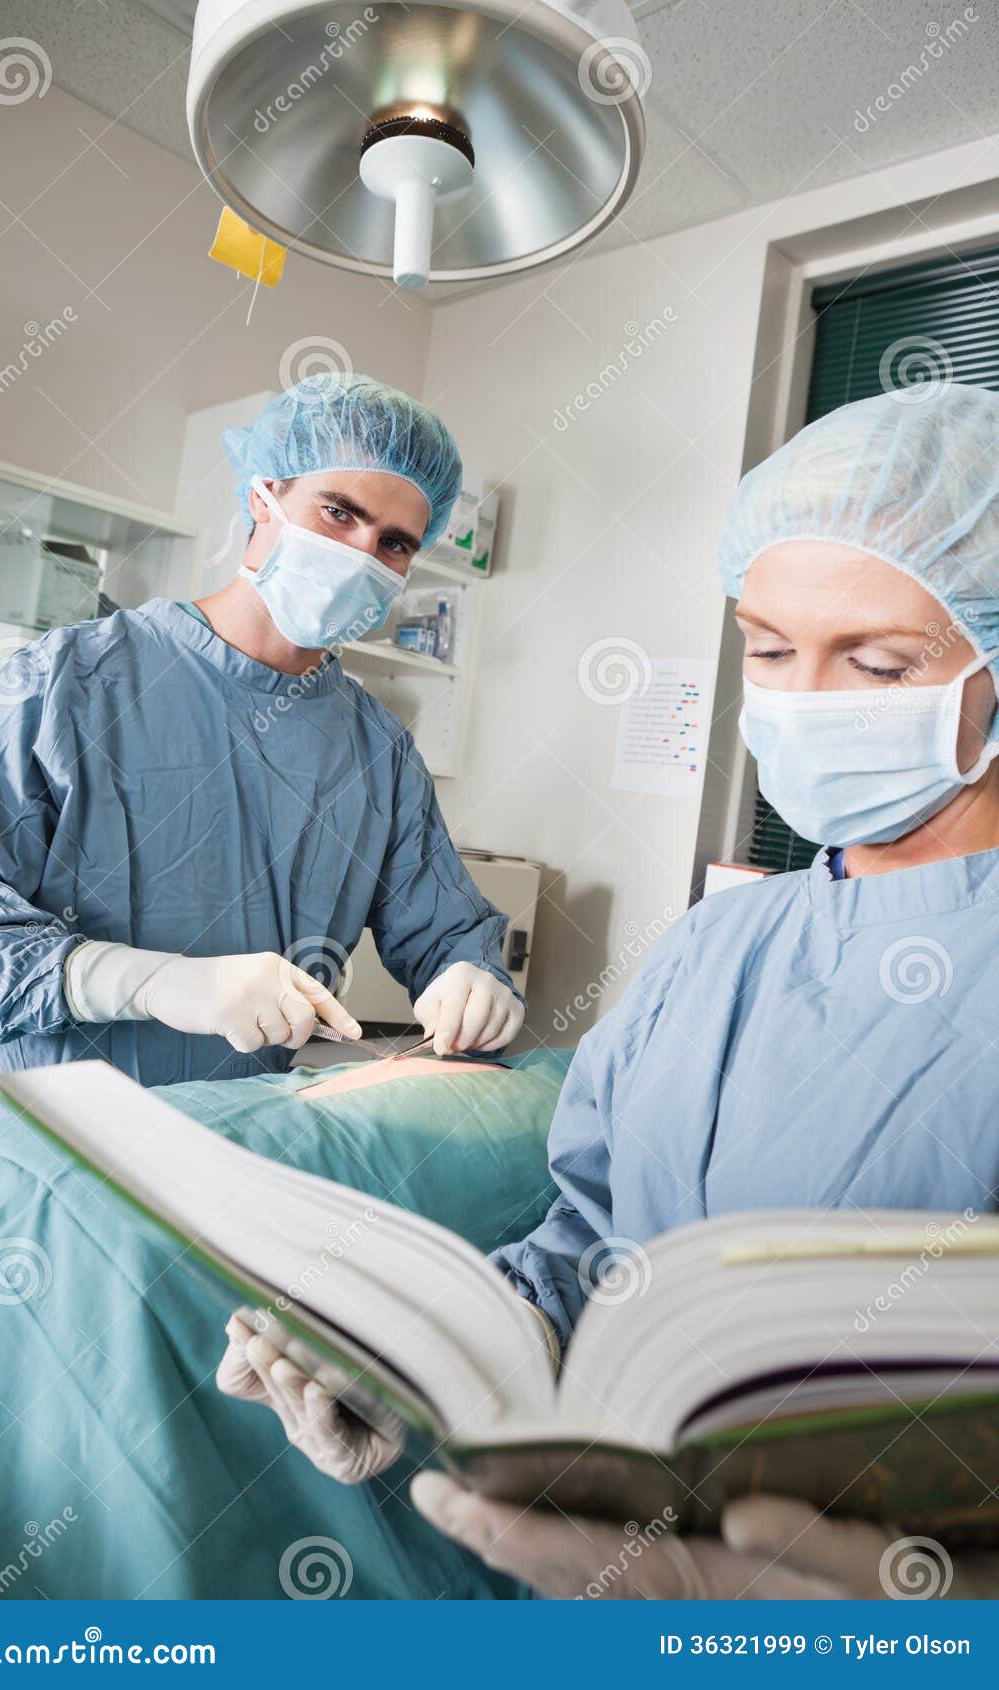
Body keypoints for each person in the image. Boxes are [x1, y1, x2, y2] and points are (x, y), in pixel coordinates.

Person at [218, 383, 999, 1598]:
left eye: (879, 661)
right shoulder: (715, 948)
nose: (801, 699)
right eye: (769, 650)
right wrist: (425, 1352)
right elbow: (591, 1247)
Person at [0, 374, 523, 1135]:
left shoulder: (377, 751)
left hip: (232, 1145)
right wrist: (140, 981)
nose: (361, 552)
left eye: (394, 543)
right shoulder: (72, 681)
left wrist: (468, 975)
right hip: (29, 1145)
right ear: (263, 495)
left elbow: (442, 924)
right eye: (339, 511)